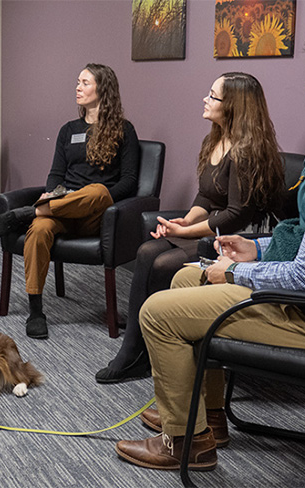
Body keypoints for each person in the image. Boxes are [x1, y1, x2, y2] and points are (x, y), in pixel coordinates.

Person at [114, 30, 305, 472]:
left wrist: (237, 274)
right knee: (185, 275)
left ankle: (185, 441)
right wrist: (257, 247)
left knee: (158, 313)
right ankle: (210, 419)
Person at [95, 72, 284, 383]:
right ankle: (135, 350)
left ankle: (143, 350)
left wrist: (183, 233)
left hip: (241, 237)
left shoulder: (247, 150)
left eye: (213, 96)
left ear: (234, 106)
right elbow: (207, 195)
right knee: (146, 252)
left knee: (163, 262)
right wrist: (187, 219)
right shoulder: (215, 139)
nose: (205, 100)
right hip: (215, 229)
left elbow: (236, 214)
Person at [0, 63, 141, 339]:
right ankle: (36, 311)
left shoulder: (124, 131)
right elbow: (56, 174)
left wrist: (102, 198)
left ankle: (27, 213)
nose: (78, 87)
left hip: (97, 214)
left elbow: (129, 182)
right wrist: (52, 193)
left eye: (85, 83)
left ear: (103, 89)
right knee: (40, 229)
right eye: (77, 82)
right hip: (61, 210)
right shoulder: (68, 130)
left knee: (96, 191)